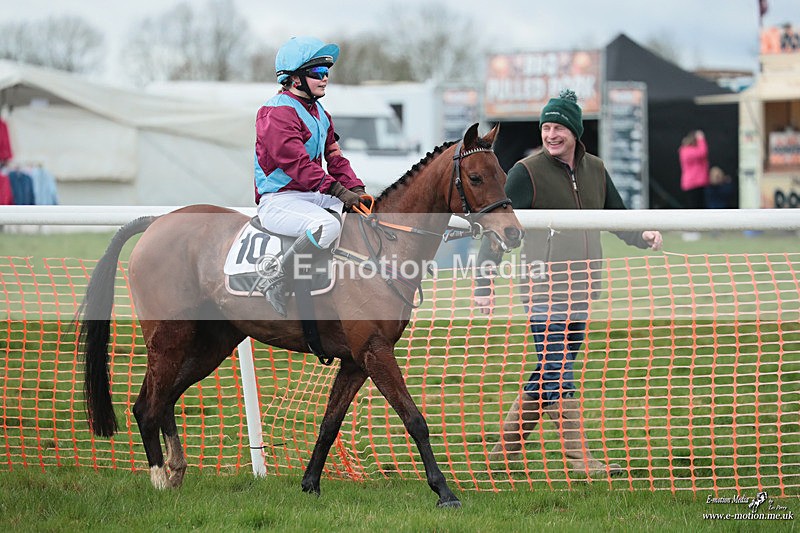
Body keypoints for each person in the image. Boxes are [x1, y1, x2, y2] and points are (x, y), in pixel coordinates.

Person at [475, 89, 662, 476]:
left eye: (558, 127)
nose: (551, 134)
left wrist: (641, 235)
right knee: (559, 370)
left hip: (584, 287)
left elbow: (616, 216)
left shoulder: (595, 169)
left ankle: (502, 454)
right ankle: (580, 461)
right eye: (546, 127)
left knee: (548, 371)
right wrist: (484, 281)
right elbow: (498, 229)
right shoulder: (526, 173)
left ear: (575, 132)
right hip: (542, 290)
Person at [255, 36, 366, 317]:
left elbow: (336, 158)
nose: (325, 78)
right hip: (279, 200)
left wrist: (357, 189)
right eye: (317, 73)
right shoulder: (276, 112)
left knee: (359, 220)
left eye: (327, 72)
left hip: (312, 196)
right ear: (294, 80)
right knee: (327, 227)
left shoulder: (321, 114)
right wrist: (340, 192)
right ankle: (276, 280)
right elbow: (298, 165)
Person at [679, 130, 710, 209]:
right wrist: (701, 139)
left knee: (701, 206)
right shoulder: (686, 150)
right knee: (694, 207)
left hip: (699, 182)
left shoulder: (687, 150)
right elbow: (702, 152)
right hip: (693, 183)